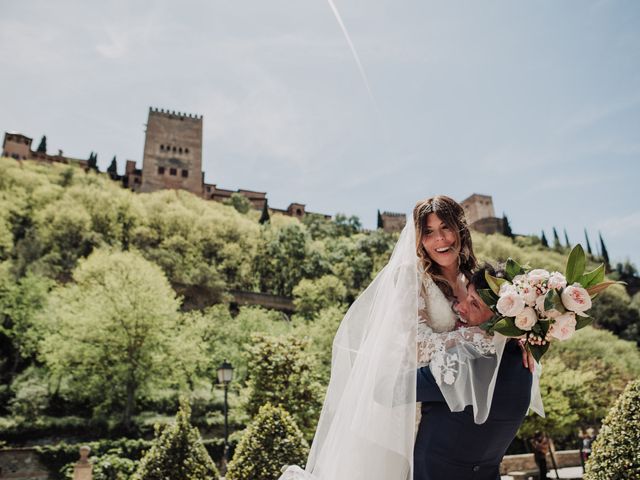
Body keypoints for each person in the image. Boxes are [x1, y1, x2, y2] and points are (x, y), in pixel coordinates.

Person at [279, 196, 542, 480]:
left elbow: (499, 322)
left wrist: (522, 335)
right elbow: (419, 345)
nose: (439, 239)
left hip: (460, 414)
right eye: (428, 232)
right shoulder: (411, 277)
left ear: (460, 229)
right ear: (418, 238)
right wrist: (483, 337)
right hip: (411, 403)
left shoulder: (476, 278)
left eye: (445, 228)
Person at [414, 265, 537, 480]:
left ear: (501, 320)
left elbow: (389, 388)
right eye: (466, 297)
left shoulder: (463, 364)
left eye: (474, 304)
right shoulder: (525, 366)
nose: (460, 307)